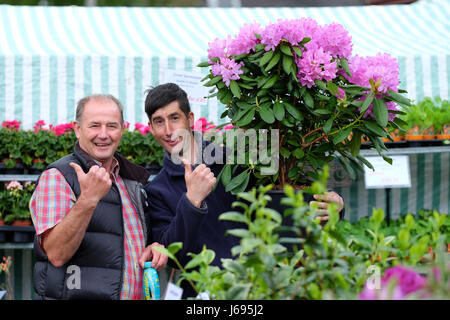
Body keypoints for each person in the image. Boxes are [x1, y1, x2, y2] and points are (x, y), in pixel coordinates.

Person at [143, 83, 344, 297]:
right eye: (159, 121)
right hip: (204, 292)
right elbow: (170, 254)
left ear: (190, 119)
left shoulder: (238, 162)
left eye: (175, 118)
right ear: (152, 128)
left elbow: (281, 211)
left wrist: (331, 210)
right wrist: (192, 201)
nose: (168, 130)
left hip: (259, 287)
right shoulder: (157, 189)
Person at [30, 94, 168, 300]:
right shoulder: (58, 177)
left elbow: (125, 244)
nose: (103, 134)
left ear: (122, 129)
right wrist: (87, 200)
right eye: (94, 125)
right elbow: (56, 254)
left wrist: (152, 248)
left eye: (112, 126)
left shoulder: (130, 180)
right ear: (77, 129)